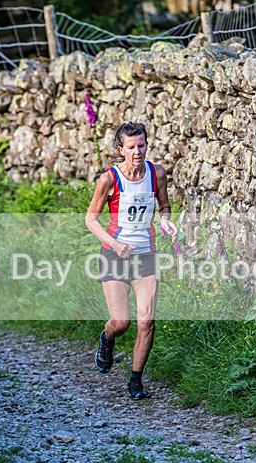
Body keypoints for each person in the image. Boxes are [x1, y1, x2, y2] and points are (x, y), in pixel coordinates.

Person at [85, 122, 177, 400]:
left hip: (146, 255)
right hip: (114, 254)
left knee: (146, 321)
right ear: (120, 150)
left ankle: (136, 380)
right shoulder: (109, 180)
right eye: (131, 147)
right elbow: (91, 219)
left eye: (142, 145)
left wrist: (165, 220)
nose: (137, 152)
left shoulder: (156, 173)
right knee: (121, 322)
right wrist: (114, 243)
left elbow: (165, 205)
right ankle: (107, 338)